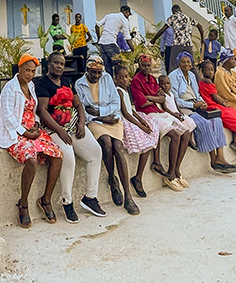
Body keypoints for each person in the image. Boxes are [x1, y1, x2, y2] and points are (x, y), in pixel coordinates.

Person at [34, 51, 106, 222]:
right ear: (48, 64)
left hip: (74, 126)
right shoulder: (41, 83)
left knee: (95, 152)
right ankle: (67, 202)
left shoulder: (67, 81)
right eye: (56, 63)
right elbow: (42, 111)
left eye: (62, 63)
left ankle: (90, 197)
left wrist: (82, 123)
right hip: (54, 129)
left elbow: (78, 104)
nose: (59, 66)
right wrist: (59, 130)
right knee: (68, 156)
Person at [0, 54, 62, 228]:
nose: (30, 74)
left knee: (57, 155)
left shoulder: (31, 85)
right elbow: (8, 116)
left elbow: (34, 111)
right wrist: (24, 132)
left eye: (33, 71)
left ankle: (46, 199)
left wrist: (36, 125)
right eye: (27, 70)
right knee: (31, 160)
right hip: (16, 133)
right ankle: (23, 203)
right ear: (19, 69)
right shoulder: (9, 89)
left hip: (32, 130)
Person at [74, 56, 140, 214]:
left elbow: (115, 103)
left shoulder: (107, 78)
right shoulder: (79, 84)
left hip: (112, 118)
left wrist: (100, 112)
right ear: (87, 70)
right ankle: (112, 178)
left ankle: (128, 196)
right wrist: (101, 117)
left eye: (98, 72)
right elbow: (83, 110)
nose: (95, 75)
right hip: (96, 121)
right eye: (92, 72)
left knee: (118, 147)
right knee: (106, 143)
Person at [129, 54, 190, 190]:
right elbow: (142, 104)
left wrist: (150, 97)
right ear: (139, 66)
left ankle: (175, 170)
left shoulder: (152, 79)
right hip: (148, 114)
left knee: (186, 132)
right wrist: (155, 98)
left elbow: (163, 99)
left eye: (148, 66)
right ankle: (170, 175)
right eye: (144, 65)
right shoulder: (136, 80)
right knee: (175, 135)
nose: (146, 68)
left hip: (159, 111)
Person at [168, 53, 236, 174]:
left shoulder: (192, 75)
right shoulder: (173, 76)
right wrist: (193, 105)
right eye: (183, 62)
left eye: (188, 62)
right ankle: (213, 160)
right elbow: (175, 99)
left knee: (217, 120)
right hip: (184, 108)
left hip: (197, 105)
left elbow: (197, 93)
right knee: (204, 123)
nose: (186, 64)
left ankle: (220, 157)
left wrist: (202, 102)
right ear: (179, 63)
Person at [111, 65, 163, 198]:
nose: (124, 80)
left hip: (133, 118)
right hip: (127, 122)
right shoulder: (119, 91)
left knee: (153, 130)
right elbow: (126, 113)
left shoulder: (126, 91)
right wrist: (140, 124)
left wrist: (141, 119)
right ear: (115, 79)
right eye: (121, 77)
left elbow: (132, 110)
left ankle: (139, 177)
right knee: (146, 143)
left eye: (126, 77)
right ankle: (138, 178)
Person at [197, 58, 236, 159]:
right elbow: (215, 97)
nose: (210, 72)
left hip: (213, 103)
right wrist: (223, 103)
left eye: (212, 70)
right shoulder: (207, 81)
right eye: (207, 70)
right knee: (233, 117)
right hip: (211, 105)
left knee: (235, 113)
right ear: (203, 71)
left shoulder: (204, 80)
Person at [151, 5, 204, 72]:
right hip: (188, 44)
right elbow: (200, 26)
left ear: (173, 11)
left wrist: (154, 39)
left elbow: (162, 30)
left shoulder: (172, 18)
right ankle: (196, 81)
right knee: (191, 66)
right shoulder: (187, 18)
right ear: (180, 10)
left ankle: (171, 81)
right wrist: (202, 39)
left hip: (177, 44)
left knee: (173, 66)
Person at [94, 5, 130, 72]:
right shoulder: (124, 20)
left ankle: (110, 81)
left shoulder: (109, 16)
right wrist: (134, 50)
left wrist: (99, 38)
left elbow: (97, 25)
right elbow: (127, 37)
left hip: (102, 44)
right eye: (128, 14)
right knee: (118, 65)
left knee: (108, 67)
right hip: (111, 43)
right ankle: (117, 81)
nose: (128, 17)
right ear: (126, 12)